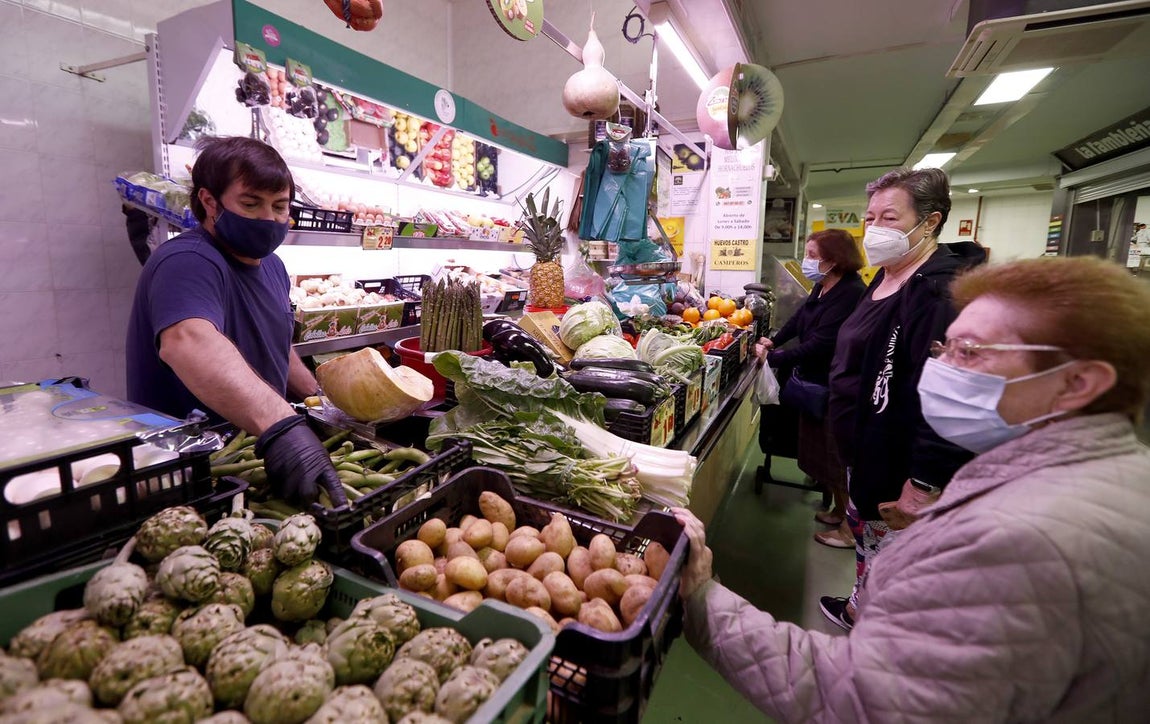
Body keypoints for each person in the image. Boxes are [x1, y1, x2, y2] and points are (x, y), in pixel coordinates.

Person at [672, 255, 1150, 722]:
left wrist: (700, 597)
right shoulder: (1110, 476)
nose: (940, 368)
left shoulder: (1016, 542)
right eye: (945, 349)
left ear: (1078, 382)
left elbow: (861, 699)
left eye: (969, 351)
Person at [126, 136, 345, 507]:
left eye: (279, 206)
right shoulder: (186, 260)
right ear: (210, 201)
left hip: (256, 455)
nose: (269, 219)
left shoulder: (273, 266)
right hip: (193, 467)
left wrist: (322, 401)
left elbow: (276, 344)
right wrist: (281, 424)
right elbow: (188, 340)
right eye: (251, 203)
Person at [820, 167, 975, 630]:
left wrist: (924, 482)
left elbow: (948, 397)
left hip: (898, 464)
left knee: (896, 560)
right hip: (865, 451)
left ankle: (878, 631)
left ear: (930, 222)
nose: (875, 229)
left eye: (890, 217)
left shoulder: (938, 293)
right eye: (870, 218)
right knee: (870, 542)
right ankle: (857, 606)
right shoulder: (887, 277)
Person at [754, 229, 865, 548]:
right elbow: (799, 318)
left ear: (834, 260)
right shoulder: (823, 286)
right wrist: (774, 340)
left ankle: (848, 529)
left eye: (813, 255)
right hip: (815, 383)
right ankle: (836, 509)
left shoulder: (851, 293)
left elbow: (822, 344)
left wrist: (776, 356)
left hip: (837, 386)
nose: (807, 261)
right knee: (822, 453)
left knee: (836, 456)